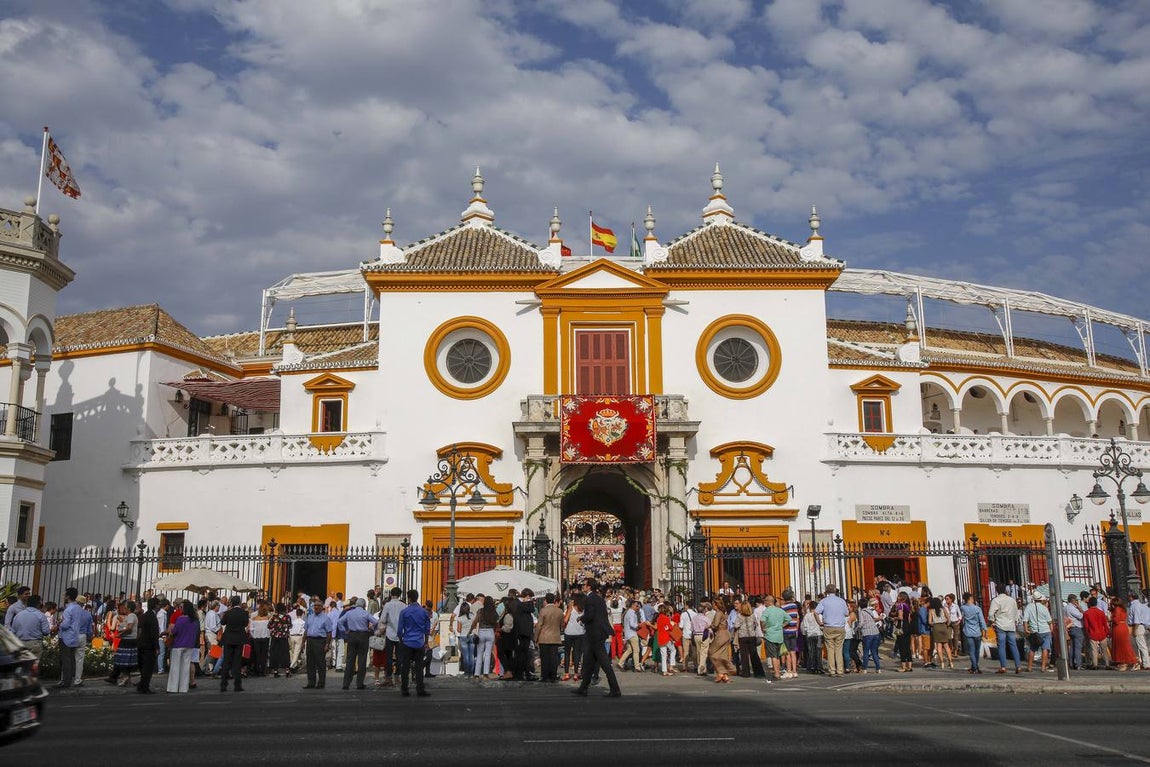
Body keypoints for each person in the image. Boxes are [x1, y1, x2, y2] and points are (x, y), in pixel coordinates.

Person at [571, 578, 621, 697]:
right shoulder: (599, 598)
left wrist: (581, 618)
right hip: (598, 634)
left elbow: (590, 615)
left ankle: (615, 689)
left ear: (589, 587)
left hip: (594, 634)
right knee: (589, 662)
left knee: (605, 664)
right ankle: (583, 688)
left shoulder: (590, 599)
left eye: (584, 584)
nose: (583, 586)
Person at [338, 596, 378, 689]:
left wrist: (344, 631)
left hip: (352, 635)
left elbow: (339, 622)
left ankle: (346, 684)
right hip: (363, 636)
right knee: (362, 660)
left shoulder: (349, 613)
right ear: (364, 605)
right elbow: (375, 622)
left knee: (350, 660)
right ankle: (359, 683)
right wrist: (372, 629)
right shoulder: (365, 613)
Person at [397, 589, 431, 697]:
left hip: (407, 642)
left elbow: (399, 630)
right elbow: (427, 629)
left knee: (405, 667)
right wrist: (426, 641)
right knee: (419, 667)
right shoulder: (423, 612)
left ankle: (405, 689)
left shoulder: (404, 612)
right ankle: (420, 689)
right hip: (419, 642)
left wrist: (401, 640)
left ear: (409, 598)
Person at [56, 590, 92, 688]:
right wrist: (89, 636)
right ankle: (77, 680)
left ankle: (64, 679)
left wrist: (59, 624)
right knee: (79, 659)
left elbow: (66, 624)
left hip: (70, 635)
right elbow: (90, 628)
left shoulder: (69, 609)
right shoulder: (86, 613)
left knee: (67, 659)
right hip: (82, 635)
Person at [166, 600, 200, 693]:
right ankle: (183, 688)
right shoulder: (194, 620)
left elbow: (175, 631)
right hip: (189, 645)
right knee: (185, 668)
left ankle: (173, 687)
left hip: (178, 644)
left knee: (175, 667)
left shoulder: (181, 619)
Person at [218, 595, 250, 692]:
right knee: (237, 662)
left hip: (228, 639)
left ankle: (223, 684)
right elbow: (245, 624)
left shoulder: (228, 612)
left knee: (226, 661)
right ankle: (237, 684)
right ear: (239, 603)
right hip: (239, 639)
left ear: (232, 603)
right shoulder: (244, 613)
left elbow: (222, 622)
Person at [987, 586, 1021, 674]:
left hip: (1000, 624)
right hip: (1010, 625)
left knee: (1001, 646)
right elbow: (1016, 612)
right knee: (1013, 645)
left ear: (997, 591)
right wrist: (1015, 621)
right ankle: (1018, 666)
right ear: (1006, 591)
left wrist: (992, 621)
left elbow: (990, 613)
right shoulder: (1012, 600)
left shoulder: (996, 600)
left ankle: (1003, 667)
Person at [105, 600, 139, 687]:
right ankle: (127, 679)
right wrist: (122, 623)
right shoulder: (131, 616)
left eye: (125, 607)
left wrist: (120, 634)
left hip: (127, 640)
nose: (124, 608)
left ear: (129, 608)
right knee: (126, 660)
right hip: (129, 640)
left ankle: (125, 678)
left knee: (122, 660)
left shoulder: (131, 616)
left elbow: (129, 628)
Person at [303, 598, 332, 689]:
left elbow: (329, 632)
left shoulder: (326, 618)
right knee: (310, 662)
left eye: (318, 605)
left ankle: (321, 683)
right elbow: (306, 630)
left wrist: (327, 644)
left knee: (320, 663)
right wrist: (303, 642)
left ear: (322, 607)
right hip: (310, 640)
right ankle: (311, 682)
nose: (316, 607)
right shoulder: (310, 617)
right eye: (315, 605)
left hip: (320, 641)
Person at [534, 592, 563, 682]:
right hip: (555, 637)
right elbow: (562, 625)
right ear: (554, 600)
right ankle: (553, 676)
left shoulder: (543, 611)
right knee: (554, 658)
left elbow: (539, 625)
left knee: (545, 658)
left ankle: (545, 676)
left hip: (544, 637)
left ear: (545, 600)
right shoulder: (559, 611)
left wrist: (536, 637)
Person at [707, 596, 736, 683]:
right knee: (722, 654)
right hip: (726, 633)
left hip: (721, 634)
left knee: (711, 652)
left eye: (713, 604)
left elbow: (715, 625)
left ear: (716, 605)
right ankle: (725, 675)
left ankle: (727, 670)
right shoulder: (723, 612)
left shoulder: (718, 613)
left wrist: (709, 626)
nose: (712, 605)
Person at [1022, 595, 1053, 672]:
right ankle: (1043, 667)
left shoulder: (1029, 607)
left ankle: (1029, 667)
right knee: (1045, 649)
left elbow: (1025, 619)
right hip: (1045, 630)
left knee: (1032, 648)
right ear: (1041, 600)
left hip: (1034, 631)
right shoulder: (1044, 608)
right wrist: (1051, 629)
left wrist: (1026, 629)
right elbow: (1049, 621)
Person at [136, 597, 160, 694]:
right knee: (148, 668)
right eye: (158, 604)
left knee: (143, 667)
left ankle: (141, 685)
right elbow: (154, 633)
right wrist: (157, 647)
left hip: (141, 644)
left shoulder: (145, 615)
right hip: (149, 646)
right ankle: (144, 686)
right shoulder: (152, 617)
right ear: (156, 605)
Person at [959, 592, 987, 674]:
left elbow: (961, 617)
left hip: (968, 631)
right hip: (977, 631)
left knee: (971, 650)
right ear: (970, 598)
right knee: (977, 651)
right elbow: (981, 620)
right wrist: (985, 629)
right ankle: (975, 666)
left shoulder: (963, 608)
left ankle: (974, 666)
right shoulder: (977, 608)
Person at [1109, 596, 1137, 672]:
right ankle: (1124, 662)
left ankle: (1128, 662)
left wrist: (1111, 618)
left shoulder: (1117, 609)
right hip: (1122, 627)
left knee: (1121, 646)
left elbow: (1116, 620)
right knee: (1123, 645)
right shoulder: (1122, 609)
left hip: (1118, 628)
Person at [562, 592, 585, 681]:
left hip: (569, 632)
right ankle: (576, 674)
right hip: (580, 632)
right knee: (577, 653)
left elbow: (565, 619)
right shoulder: (583, 608)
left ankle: (567, 673)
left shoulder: (571, 607)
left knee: (567, 653)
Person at [1082, 596, 1110, 669]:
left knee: (1094, 650)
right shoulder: (1101, 612)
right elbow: (1105, 624)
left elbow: (1086, 625)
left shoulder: (1086, 613)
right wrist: (1107, 632)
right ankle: (1107, 664)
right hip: (1102, 632)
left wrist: (1087, 633)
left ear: (1089, 604)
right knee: (1104, 650)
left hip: (1092, 633)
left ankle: (1095, 664)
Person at [855, 597, 882, 674]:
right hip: (875, 632)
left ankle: (864, 668)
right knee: (874, 651)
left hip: (867, 633)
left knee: (866, 651)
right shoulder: (870, 611)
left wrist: (856, 629)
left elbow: (861, 623)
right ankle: (878, 668)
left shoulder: (861, 612)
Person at [475, 595, 499, 679]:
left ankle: (477, 674)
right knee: (488, 654)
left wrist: (470, 630)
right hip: (490, 632)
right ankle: (486, 673)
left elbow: (475, 621)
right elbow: (496, 624)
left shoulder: (480, 611)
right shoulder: (494, 613)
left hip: (481, 631)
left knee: (479, 654)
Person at [890, 592, 914, 672]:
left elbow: (900, 617)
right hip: (908, 626)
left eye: (898, 596)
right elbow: (909, 617)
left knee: (901, 646)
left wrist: (894, 618)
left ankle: (903, 666)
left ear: (901, 597)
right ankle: (909, 666)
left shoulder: (900, 605)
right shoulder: (908, 605)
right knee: (907, 647)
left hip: (902, 626)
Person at [928, 597, 954, 669]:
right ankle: (951, 662)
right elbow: (949, 619)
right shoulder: (943, 609)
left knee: (938, 645)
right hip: (943, 626)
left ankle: (942, 662)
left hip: (936, 627)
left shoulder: (931, 610)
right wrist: (947, 625)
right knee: (946, 645)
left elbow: (929, 622)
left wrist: (934, 624)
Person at [268, 602, 292, 678]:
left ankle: (275, 671)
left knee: (275, 653)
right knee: (285, 653)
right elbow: (290, 625)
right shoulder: (287, 617)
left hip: (275, 637)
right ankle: (287, 670)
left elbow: (269, 626)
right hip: (284, 637)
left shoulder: (274, 617)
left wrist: (275, 629)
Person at [1128, 591, 1150, 670]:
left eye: (1129, 596)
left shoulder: (1135, 605)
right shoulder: (1140, 605)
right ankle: (1143, 662)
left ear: (1131, 597)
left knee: (1141, 646)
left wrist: (1134, 630)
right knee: (1140, 645)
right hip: (1140, 625)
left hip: (1137, 626)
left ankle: (1146, 664)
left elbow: (1136, 619)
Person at [454, 601, 477, 677]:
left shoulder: (460, 618)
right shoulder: (472, 616)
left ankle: (467, 673)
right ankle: (471, 673)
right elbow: (475, 626)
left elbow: (458, 630)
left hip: (463, 636)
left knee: (466, 655)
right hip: (472, 636)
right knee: (472, 655)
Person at [1064, 594, 1086, 670]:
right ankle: (1078, 664)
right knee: (1078, 647)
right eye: (1076, 600)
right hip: (1076, 627)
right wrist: (1080, 608)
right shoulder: (1072, 608)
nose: (1077, 601)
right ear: (1073, 600)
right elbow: (1081, 616)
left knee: (1072, 647)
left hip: (1070, 628)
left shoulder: (1065, 607)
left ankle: (1071, 663)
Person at [656, 604, 678, 677]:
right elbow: (670, 628)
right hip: (666, 637)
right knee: (673, 650)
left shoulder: (658, 618)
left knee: (663, 654)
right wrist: (673, 625)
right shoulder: (666, 618)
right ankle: (671, 666)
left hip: (660, 637)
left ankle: (664, 671)